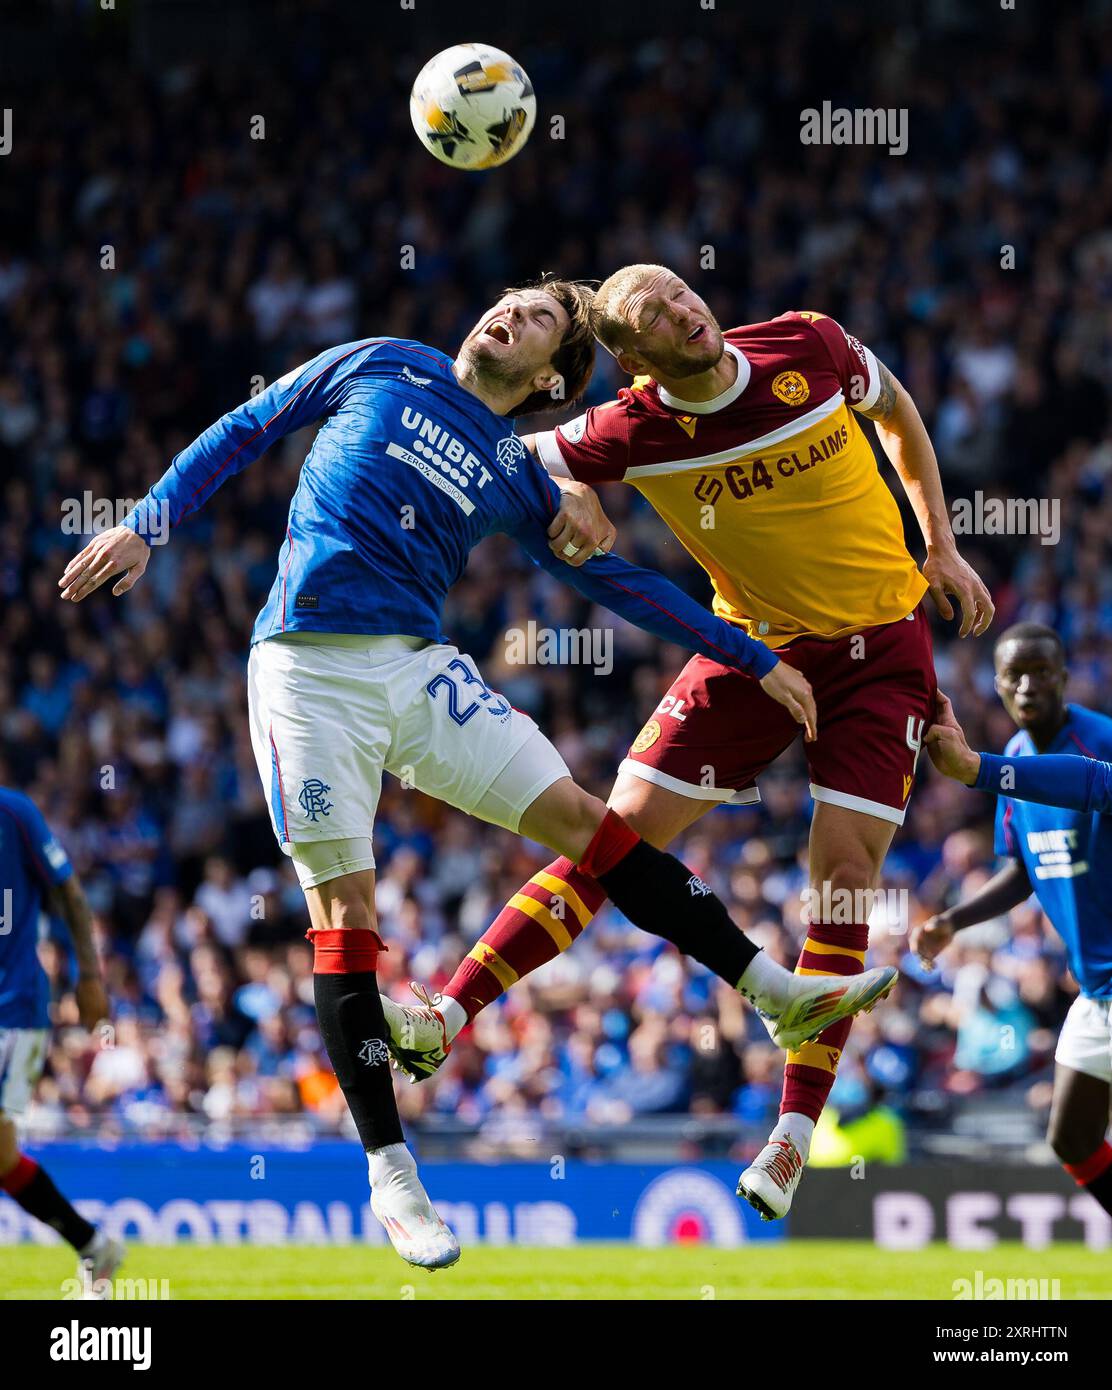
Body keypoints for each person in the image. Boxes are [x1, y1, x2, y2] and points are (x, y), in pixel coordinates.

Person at [59, 276, 895, 1270]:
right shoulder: (381, 360)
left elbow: (615, 581)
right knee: (344, 916)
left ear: (548, 374)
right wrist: (147, 521)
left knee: (593, 826)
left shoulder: (513, 469)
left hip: (418, 671)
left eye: (534, 317)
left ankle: (765, 985)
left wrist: (749, 653)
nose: (502, 312)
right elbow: (252, 423)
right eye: (504, 301)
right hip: (303, 672)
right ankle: (390, 1171)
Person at [390, 262, 992, 1221]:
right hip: (755, 654)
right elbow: (505, 451)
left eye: (681, 291)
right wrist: (565, 498)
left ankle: (793, 1139)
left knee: (840, 875)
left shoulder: (809, 344)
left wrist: (942, 544)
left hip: (884, 655)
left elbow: (899, 412)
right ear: (634, 361)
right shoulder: (633, 429)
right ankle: (446, 1013)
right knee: (613, 831)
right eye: (654, 315)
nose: (684, 308)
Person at [914, 627, 1112, 1225]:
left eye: (1041, 671)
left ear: (1064, 675)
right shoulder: (1019, 761)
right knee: (1073, 1140)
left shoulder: (1101, 741)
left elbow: (1095, 784)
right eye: (1014, 674)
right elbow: (1022, 869)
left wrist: (981, 769)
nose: (1028, 685)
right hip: (1096, 989)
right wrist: (952, 921)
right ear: (997, 684)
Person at [0, 785, 124, 1293]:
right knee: (4, 1159)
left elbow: (70, 893)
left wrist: (89, 977)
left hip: (12, 1007)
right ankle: (92, 1243)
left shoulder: (14, 812)